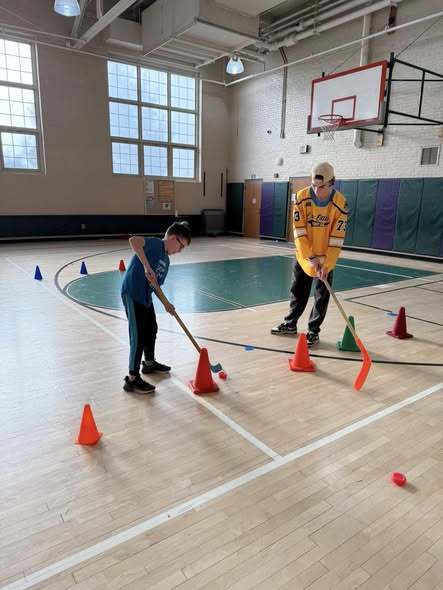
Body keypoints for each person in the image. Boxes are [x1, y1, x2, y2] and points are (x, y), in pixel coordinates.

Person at [271, 162, 348, 346]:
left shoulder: (340, 204)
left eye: (321, 187)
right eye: (314, 185)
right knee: (298, 290)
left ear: (332, 183)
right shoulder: (300, 198)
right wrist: (310, 257)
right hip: (305, 256)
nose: (316, 189)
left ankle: (313, 331)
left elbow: (337, 239)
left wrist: (327, 264)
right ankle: (290, 324)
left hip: (326, 259)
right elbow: (299, 231)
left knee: (322, 297)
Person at [121, 221, 191, 393]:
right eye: (181, 246)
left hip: (145, 297)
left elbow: (155, 286)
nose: (180, 251)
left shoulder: (166, 261)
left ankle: (149, 363)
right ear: (174, 238)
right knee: (138, 336)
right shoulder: (155, 244)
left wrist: (167, 303)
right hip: (133, 292)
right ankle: (132, 379)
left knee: (151, 329)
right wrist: (146, 265)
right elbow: (133, 241)